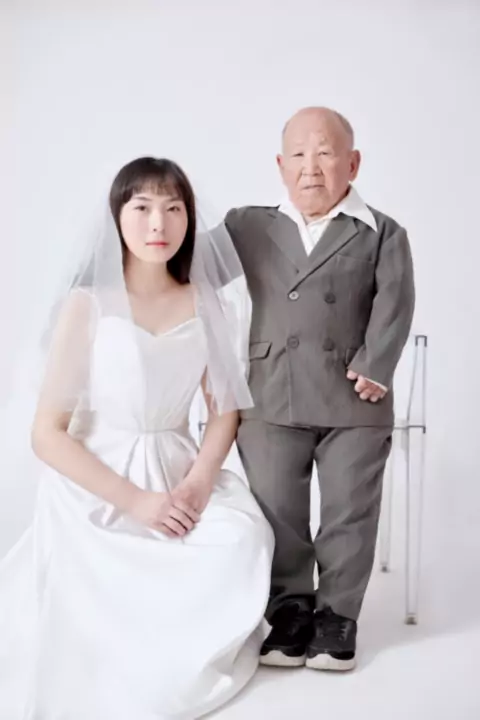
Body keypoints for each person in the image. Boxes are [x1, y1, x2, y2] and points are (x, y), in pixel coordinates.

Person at [0, 157, 274, 719]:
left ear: (189, 220)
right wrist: (137, 502)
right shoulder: (88, 304)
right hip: (97, 478)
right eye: (143, 207)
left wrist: (198, 485)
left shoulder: (204, 301)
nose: (158, 224)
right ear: (117, 218)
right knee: (107, 575)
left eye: (174, 209)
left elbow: (224, 411)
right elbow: (47, 435)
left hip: (175, 465)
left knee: (243, 537)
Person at [225, 106, 415, 671]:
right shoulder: (245, 225)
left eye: (326, 153)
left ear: (352, 164)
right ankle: (289, 609)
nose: (312, 166)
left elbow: (396, 300)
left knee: (350, 510)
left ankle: (337, 616)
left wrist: (377, 363)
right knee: (276, 506)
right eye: (300, 154)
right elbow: (191, 265)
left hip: (355, 393)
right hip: (269, 389)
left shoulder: (381, 231)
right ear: (280, 165)